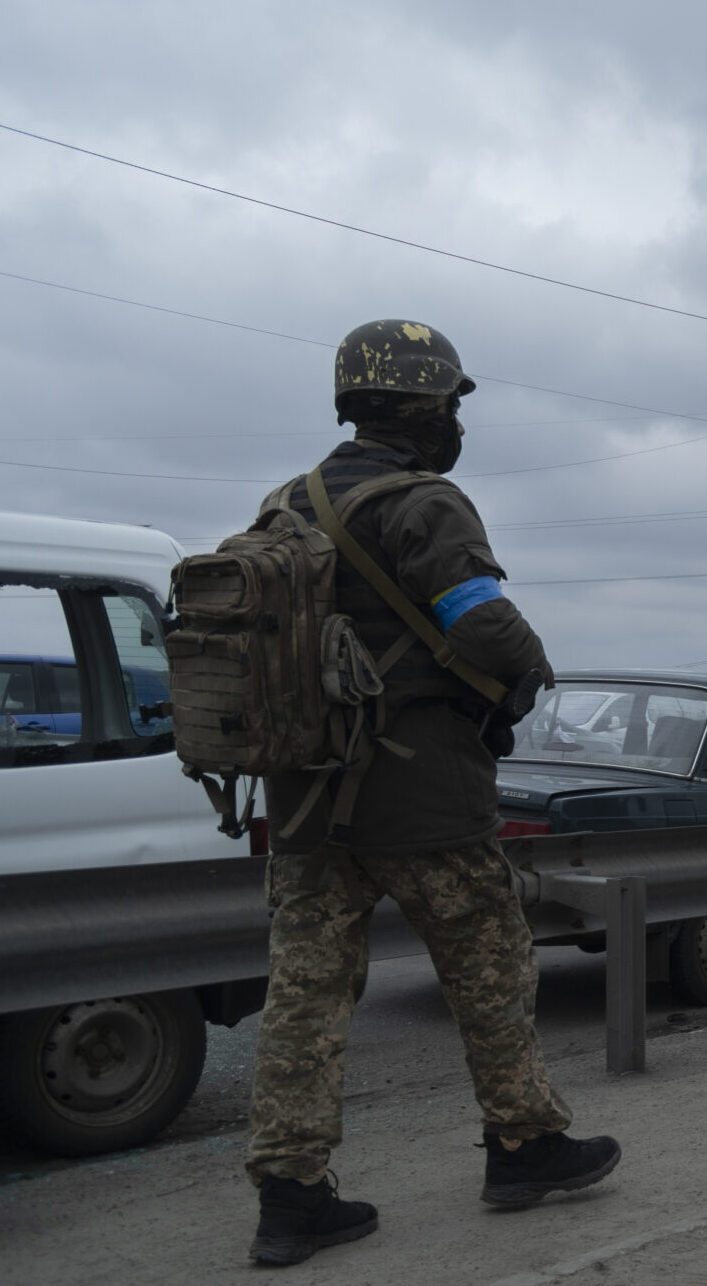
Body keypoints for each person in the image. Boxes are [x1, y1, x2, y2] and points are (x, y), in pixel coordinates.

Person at [245, 320, 618, 1267]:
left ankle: (290, 1200)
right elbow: (484, 626)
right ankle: (525, 1147)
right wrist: (527, 675)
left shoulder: (280, 506)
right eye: (450, 403)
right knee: (490, 975)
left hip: (301, 802)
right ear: (420, 406)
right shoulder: (424, 505)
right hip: (424, 801)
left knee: (304, 1002)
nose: (456, 420)